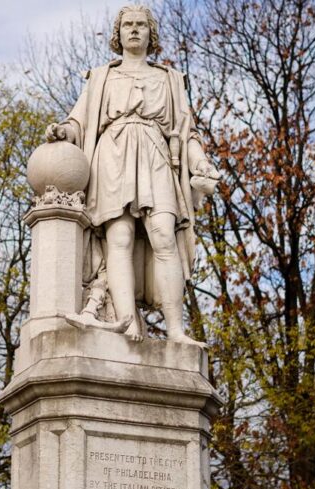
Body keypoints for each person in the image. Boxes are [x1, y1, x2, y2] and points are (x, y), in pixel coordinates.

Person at [45, 5, 220, 345]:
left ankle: (175, 331)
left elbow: (187, 132)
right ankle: (127, 325)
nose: (134, 30)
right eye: (128, 24)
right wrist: (64, 132)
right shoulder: (102, 77)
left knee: (165, 237)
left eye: (141, 24)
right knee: (119, 239)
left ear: (150, 33)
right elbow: (78, 120)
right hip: (113, 156)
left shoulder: (169, 78)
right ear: (119, 32)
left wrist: (199, 163)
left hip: (156, 155)